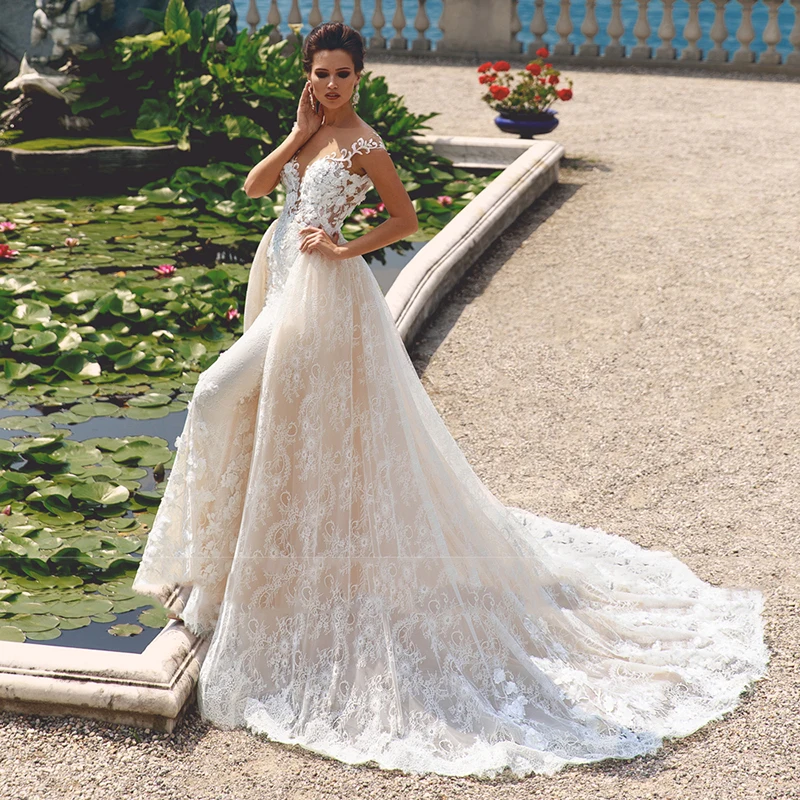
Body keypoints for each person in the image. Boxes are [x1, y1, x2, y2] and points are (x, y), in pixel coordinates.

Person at [131, 21, 769, 779]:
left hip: (319, 297)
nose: (331, 85)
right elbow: (255, 189)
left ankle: (204, 563)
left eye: (342, 74)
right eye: (321, 73)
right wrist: (296, 136)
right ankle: (236, 563)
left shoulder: (365, 144)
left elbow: (404, 220)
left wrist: (342, 247)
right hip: (279, 283)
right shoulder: (310, 131)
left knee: (213, 394)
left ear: (361, 76)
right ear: (308, 74)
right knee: (273, 422)